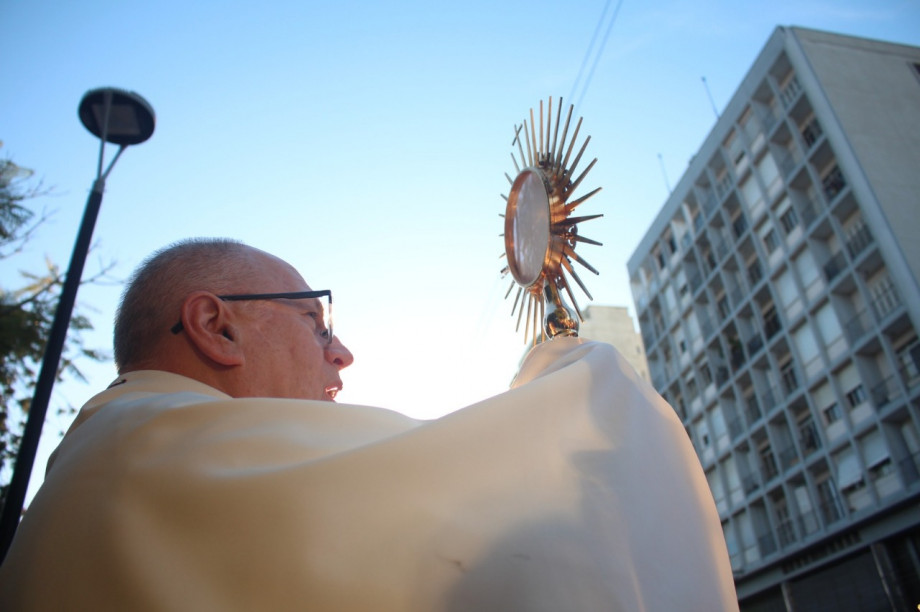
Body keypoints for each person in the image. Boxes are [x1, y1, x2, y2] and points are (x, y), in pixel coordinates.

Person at [0, 238, 738, 611]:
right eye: (315, 323)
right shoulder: (161, 452)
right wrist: (579, 370)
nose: (342, 353)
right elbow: (487, 520)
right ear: (214, 327)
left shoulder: (94, 465)